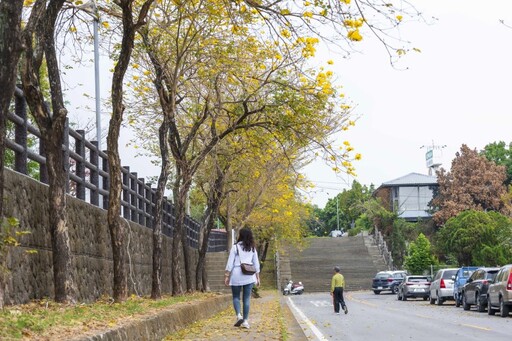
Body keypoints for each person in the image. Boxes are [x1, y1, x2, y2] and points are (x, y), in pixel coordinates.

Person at [225, 227, 261, 329]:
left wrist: (227, 276)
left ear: (240, 235)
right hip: (249, 275)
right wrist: (258, 278)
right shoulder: (252, 248)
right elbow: (256, 264)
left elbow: (230, 263)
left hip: (236, 274)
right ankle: (245, 321)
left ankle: (238, 315)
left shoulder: (235, 247)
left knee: (236, 297)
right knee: (246, 299)